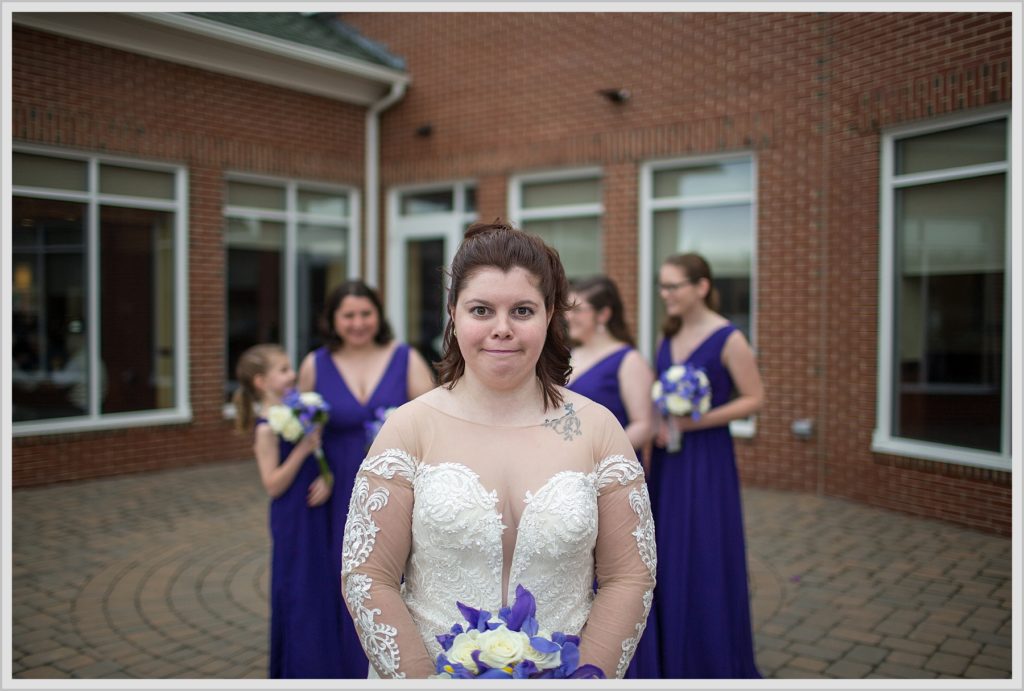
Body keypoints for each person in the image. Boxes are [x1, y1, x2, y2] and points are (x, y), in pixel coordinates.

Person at [339, 221, 656, 679]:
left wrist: (586, 678)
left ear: (549, 315)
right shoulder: (410, 427)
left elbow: (629, 577)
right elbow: (369, 576)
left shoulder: (597, 428)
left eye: (522, 311)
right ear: (453, 314)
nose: (502, 329)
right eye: (482, 310)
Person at [297, 280, 434, 678]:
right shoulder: (314, 364)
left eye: (365, 313)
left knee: (385, 576)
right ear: (333, 320)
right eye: (348, 315)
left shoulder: (405, 358)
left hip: (393, 487)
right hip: (334, 488)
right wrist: (319, 471)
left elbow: (431, 424)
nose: (358, 323)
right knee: (335, 580)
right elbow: (306, 431)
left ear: (378, 315)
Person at [642, 252, 765, 678]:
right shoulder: (668, 336)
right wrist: (659, 423)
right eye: (662, 285)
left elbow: (754, 398)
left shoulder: (729, 338)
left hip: (707, 459)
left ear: (702, 287)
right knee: (667, 549)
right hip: (669, 463)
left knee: (705, 548)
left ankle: (709, 658)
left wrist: (696, 421)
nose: (665, 294)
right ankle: (671, 653)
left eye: (673, 285)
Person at [232, 343, 340, 678]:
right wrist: (302, 450)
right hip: (293, 516)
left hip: (315, 507)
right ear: (261, 382)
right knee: (298, 588)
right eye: (282, 370)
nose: (292, 374)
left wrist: (326, 479)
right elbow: (273, 484)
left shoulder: (299, 412)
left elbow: (317, 461)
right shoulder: (266, 428)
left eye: (290, 367)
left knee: (320, 585)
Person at [566, 276, 655, 458]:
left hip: (609, 470)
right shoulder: (569, 354)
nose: (568, 317)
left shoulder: (629, 360)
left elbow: (644, 425)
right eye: (567, 310)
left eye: (577, 310)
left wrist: (598, 458)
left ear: (603, 314)